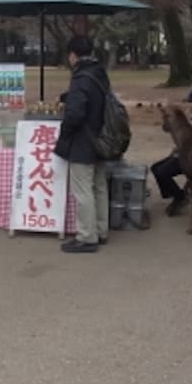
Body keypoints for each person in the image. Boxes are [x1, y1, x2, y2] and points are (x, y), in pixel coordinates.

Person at [54, 36, 110, 253]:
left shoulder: (80, 78)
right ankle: (100, 231)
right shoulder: (99, 73)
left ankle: (87, 237)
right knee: (99, 186)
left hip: (83, 142)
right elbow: (95, 98)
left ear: (73, 55)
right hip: (102, 139)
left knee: (83, 190)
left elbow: (76, 114)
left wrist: (65, 133)